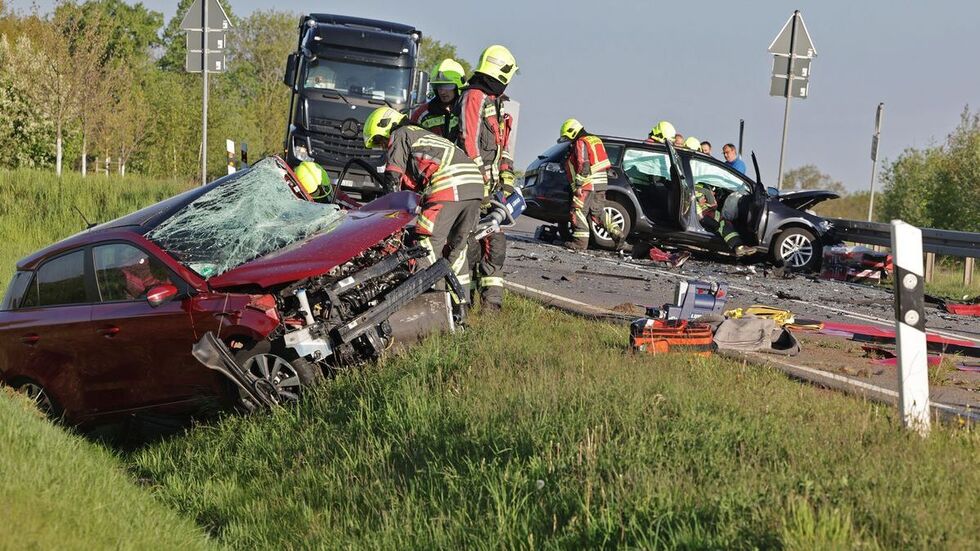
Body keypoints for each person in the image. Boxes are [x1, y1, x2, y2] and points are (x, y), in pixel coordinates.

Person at [363, 107, 484, 295]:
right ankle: (460, 304)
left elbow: (393, 177)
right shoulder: (423, 135)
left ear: (387, 126)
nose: (383, 147)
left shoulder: (400, 133)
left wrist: (390, 220)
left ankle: (433, 301)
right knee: (456, 249)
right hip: (475, 186)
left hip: (448, 185)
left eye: (380, 141)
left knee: (426, 245)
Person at [454, 44, 518, 311]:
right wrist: (479, 181)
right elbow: (468, 140)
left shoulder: (497, 102)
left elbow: (502, 146)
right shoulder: (474, 96)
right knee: (468, 248)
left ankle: (491, 309)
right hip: (473, 190)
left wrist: (507, 181)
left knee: (495, 247)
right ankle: (463, 308)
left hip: (492, 192)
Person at [558, 118, 622, 250]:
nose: (568, 140)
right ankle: (617, 234)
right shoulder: (595, 139)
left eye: (568, 137)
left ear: (572, 132)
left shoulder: (581, 142)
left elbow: (584, 164)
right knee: (597, 212)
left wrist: (578, 185)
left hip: (588, 182)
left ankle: (580, 243)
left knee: (578, 211)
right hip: (601, 182)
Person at [409, 58, 465, 137]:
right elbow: (409, 138)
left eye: (447, 86)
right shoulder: (422, 115)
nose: (442, 92)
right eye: (438, 86)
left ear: (459, 85)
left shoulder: (467, 112)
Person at [695, 183, 751, 256]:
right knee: (723, 224)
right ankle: (738, 246)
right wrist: (713, 202)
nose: (714, 193)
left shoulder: (695, 187)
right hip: (704, 213)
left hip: (698, 212)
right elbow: (713, 204)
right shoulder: (704, 188)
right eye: (713, 192)